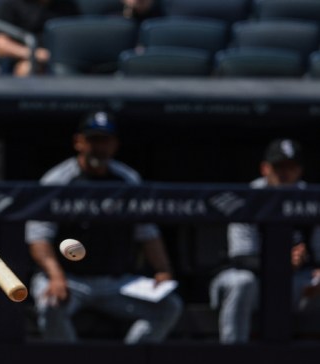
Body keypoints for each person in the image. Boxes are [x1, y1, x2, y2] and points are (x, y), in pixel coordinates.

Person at [25, 110, 183, 343]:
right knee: (50, 303)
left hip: (116, 282)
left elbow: (147, 232)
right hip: (70, 278)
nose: (99, 147)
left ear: (115, 144)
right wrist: (56, 277)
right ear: (79, 142)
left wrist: (162, 270)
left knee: (169, 306)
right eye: (93, 140)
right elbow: (38, 237)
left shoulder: (127, 179)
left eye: (105, 141)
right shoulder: (58, 180)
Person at [209, 139, 320, 346]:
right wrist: (281, 263)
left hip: (297, 282)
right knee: (242, 282)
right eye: (279, 167)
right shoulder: (248, 198)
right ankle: (234, 362)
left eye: (291, 167)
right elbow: (241, 258)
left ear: (300, 170)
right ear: (265, 168)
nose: (285, 173)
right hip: (254, 282)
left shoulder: (311, 198)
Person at [0, 0, 79, 76]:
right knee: (26, 68)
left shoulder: (68, 6)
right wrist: (34, 54)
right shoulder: (13, 4)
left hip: (65, 61)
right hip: (26, 60)